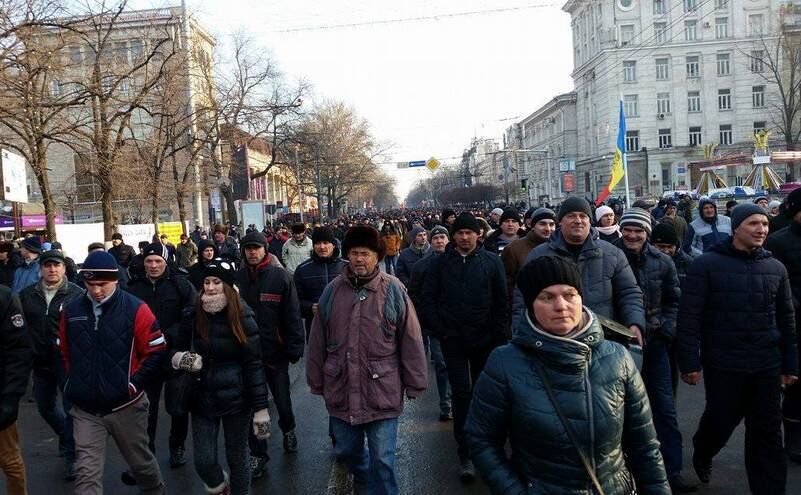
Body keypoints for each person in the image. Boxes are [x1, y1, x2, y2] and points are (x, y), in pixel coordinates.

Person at [465, 256, 670, 494]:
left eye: (569, 294)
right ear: (531, 304)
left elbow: (645, 444)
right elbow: (481, 439)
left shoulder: (617, 357)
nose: (561, 306)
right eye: (547, 297)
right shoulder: (505, 363)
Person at [677, 204, 798, 494]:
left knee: (766, 434)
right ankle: (703, 450)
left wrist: (790, 364)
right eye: (753, 224)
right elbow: (689, 317)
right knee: (720, 421)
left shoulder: (775, 268)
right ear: (736, 228)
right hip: (724, 362)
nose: (761, 229)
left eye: (765, 224)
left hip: (766, 363)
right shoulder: (706, 265)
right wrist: (689, 362)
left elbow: (786, 319)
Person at [307, 225, 428, 495]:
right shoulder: (332, 291)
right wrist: (315, 379)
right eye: (354, 253)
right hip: (341, 388)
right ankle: (363, 477)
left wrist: (415, 381)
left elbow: (410, 337)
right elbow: (317, 340)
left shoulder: (393, 289)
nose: (359, 259)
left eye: (365, 253)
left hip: (382, 390)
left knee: (383, 459)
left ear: (377, 256)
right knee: (347, 450)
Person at [59, 251, 167, 495]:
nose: (96, 290)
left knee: (142, 465)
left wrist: (133, 385)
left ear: (115, 280)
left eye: (102, 284)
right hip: (86, 408)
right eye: (90, 284)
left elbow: (156, 350)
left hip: (126, 406)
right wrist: (70, 384)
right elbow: (62, 352)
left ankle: (155, 490)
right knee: (86, 474)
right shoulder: (72, 310)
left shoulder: (136, 308)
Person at [420, 212, 508, 482]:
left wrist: (498, 336)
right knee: (461, 395)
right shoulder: (439, 264)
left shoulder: (492, 262)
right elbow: (428, 299)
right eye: (460, 233)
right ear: (454, 236)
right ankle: (465, 452)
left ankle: (489, 448)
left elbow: (501, 302)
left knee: (485, 395)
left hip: (486, 340)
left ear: (478, 235)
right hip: (453, 341)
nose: (465, 237)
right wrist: (441, 331)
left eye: (470, 232)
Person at [171, 259, 270, 495]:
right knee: (204, 461)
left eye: (216, 282)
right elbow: (174, 348)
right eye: (206, 282)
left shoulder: (243, 315)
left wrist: (260, 409)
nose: (210, 287)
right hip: (201, 396)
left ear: (227, 286)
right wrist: (184, 359)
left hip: (238, 398)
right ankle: (219, 487)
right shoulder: (193, 313)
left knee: (237, 456)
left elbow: (254, 364)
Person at [615, 209, 695, 492]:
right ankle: (628, 473)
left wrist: (667, 331)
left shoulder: (662, 262)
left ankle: (671, 471)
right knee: (621, 412)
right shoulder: (610, 258)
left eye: (639, 230)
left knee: (663, 409)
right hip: (620, 348)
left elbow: (675, 300)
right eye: (628, 230)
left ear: (647, 233)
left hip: (657, 345)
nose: (633, 235)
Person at [517, 196, 646, 345]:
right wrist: (521, 334)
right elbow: (522, 299)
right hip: (551, 342)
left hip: (602, 341)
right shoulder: (539, 255)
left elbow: (629, 293)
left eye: (583, 216)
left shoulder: (613, 254)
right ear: (560, 221)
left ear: (589, 221)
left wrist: (635, 322)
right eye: (571, 216)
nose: (578, 220)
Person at [236, 231, 304, 479]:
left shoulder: (281, 277)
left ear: (265, 249)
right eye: (248, 248)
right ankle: (259, 453)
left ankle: (288, 428)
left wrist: (295, 346)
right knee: (257, 407)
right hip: (247, 356)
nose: (252, 252)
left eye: (256, 248)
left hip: (275, 354)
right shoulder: (237, 279)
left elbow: (292, 315)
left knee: (282, 401)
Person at [126, 243, 196, 470]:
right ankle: (149, 451)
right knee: (148, 407)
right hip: (146, 356)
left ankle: (177, 445)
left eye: (158, 261)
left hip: (175, 353)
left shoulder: (180, 284)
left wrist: (170, 335)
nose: (153, 265)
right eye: (149, 261)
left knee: (178, 405)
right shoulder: (134, 287)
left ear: (166, 262)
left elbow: (192, 313)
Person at [19, 250, 83, 481]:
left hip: (67, 362)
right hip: (40, 362)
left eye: (56, 265)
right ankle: (64, 434)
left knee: (70, 410)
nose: (52, 269)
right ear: (41, 269)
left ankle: (71, 456)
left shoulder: (77, 295)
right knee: (45, 407)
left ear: (64, 269)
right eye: (47, 265)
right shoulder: (27, 295)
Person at [764, 187, 801, 463]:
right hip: (792, 323)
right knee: (796, 384)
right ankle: (794, 439)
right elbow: (773, 284)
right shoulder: (778, 242)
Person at [407, 225, 452, 422]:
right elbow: (415, 295)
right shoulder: (422, 266)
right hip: (435, 326)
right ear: (430, 242)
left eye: (443, 237)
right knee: (442, 365)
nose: (440, 241)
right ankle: (446, 404)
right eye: (436, 238)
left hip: (459, 324)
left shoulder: (458, 262)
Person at [0, 284, 32, 495]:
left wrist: (10, 398)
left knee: (9, 460)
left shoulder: (4, 297)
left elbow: (19, 351)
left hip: (1, 396)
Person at [293, 227, 347, 339]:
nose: (322, 247)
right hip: (315, 330)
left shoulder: (347, 267)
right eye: (317, 243)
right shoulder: (303, 270)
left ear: (333, 244)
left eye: (326, 242)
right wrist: (310, 308)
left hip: (344, 329)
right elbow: (294, 301)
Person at [501, 208, 555, 307]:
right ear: (533, 226)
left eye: (551, 224)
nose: (548, 229)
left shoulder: (560, 247)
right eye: (542, 224)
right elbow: (507, 284)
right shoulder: (514, 249)